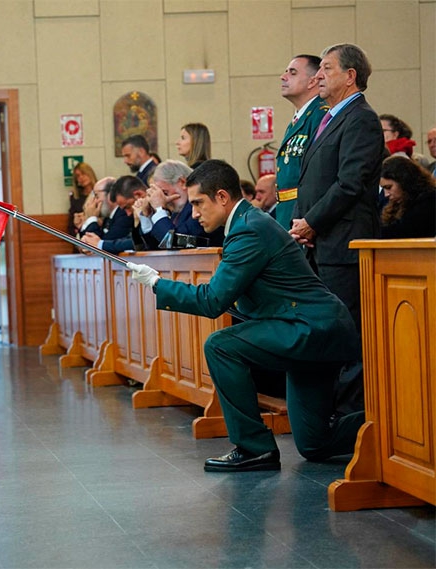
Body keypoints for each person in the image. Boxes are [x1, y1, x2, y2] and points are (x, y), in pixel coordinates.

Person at [127, 160, 364, 472]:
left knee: (221, 345)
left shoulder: (248, 229)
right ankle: (393, 420)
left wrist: (157, 283)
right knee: (315, 443)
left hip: (311, 329)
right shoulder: (244, 224)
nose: (194, 213)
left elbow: (213, 301)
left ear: (222, 197)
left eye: (199, 203)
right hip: (310, 328)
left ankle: (253, 447)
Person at [291, 43, 386, 417]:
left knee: (348, 337)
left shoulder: (361, 118)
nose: (318, 76)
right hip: (321, 244)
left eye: (326, 69)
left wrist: (312, 222)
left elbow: (349, 183)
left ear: (350, 76)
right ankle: (329, 417)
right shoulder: (329, 117)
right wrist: (303, 222)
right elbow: (310, 179)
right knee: (327, 333)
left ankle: (351, 423)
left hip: (344, 246)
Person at [276, 55, 329, 230]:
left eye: (292, 72)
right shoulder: (300, 118)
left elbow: (322, 174)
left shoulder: (320, 115)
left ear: (312, 81)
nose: (283, 77)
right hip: (288, 212)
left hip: (305, 215)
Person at [140, 160, 223, 248]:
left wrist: (159, 209)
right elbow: (158, 248)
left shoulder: (199, 208)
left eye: (165, 193)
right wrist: (147, 216)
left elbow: (178, 243)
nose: (164, 200)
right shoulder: (177, 212)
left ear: (182, 182)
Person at [80, 175, 148, 253]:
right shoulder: (107, 218)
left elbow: (141, 243)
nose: (128, 214)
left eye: (96, 195)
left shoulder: (123, 216)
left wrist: (100, 244)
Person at [379, 156, 436, 238]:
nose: (386, 194)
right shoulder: (396, 204)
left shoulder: (429, 201)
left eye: (389, 187)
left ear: (403, 181)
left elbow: (402, 232)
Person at [67, 162, 97, 234]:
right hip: (81, 233)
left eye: (83, 174)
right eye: (78, 176)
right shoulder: (75, 197)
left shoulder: (100, 192)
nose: (81, 178)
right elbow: (71, 221)